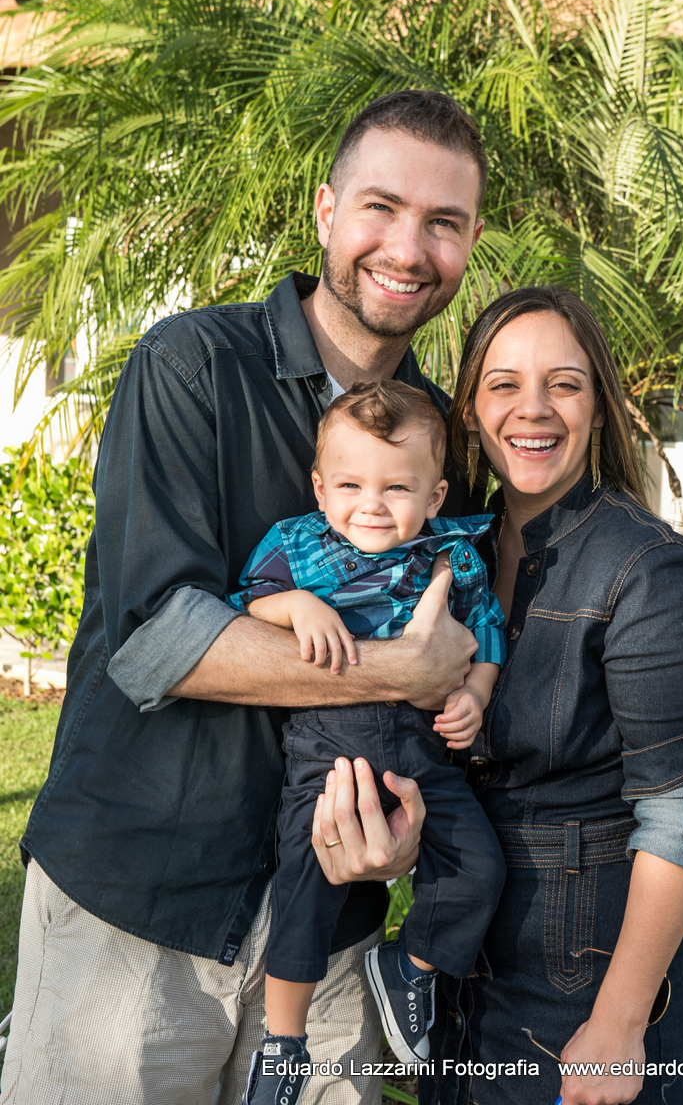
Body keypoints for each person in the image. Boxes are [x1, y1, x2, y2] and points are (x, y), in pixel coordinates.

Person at [0, 90, 488, 1105]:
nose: (409, 246)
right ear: (324, 211)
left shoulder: (440, 433)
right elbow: (153, 640)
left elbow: (457, 643)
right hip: (142, 904)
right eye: (381, 207)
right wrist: (403, 667)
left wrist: (405, 835)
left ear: (472, 241)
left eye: (444, 222)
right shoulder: (194, 367)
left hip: (332, 924)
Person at [314, 286, 683, 1105]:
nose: (531, 409)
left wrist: (619, 1022)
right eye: (503, 384)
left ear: (600, 406)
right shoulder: (444, 544)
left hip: (584, 980)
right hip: (469, 962)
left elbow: (682, 814)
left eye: (563, 384)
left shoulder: (648, 568)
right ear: (468, 407)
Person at [225, 380, 506, 1104]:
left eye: (396, 487)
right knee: (304, 898)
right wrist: (296, 605)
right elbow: (242, 602)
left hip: (422, 756)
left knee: (478, 867)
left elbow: (489, 637)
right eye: (349, 484)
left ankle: (410, 965)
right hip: (325, 757)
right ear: (320, 488)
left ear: (435, 494)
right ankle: (283, 1047)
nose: (371, 504)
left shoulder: (453, 559)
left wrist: (474, 696)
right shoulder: (297, 547)